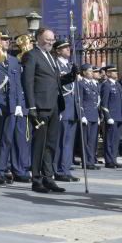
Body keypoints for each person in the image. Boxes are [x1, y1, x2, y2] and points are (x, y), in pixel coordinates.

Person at [22, 27, 77, 194]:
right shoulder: (32, 56)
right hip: (40, 106)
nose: (51, 43)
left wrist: (71, 76)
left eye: (52, 40)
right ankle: (37, 179)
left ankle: (48, 177)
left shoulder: (51, 57)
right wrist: (31, 107)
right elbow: (28, 82)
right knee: (39, 144)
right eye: (48, 40)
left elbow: (54, 81)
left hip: (54, 105)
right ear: (38, 38)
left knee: (51, 144)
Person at [0, 32, 28, 185]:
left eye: (7, 40)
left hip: (11, 105)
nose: (6, 42)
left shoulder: (12, 60)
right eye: (3, 39)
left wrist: (18, 104)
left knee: (7, 139)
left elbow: (17, 84)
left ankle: (2, 169)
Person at [53, 40, 80, 182]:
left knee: (69, 142)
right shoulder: (55, 64)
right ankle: (57, 170)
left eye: (68, 47)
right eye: (64, 48)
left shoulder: (70, 65)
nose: (68, 49)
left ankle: (66, 168)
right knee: (61, 140)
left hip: (72, 108)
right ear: (58, 50)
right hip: (63, 107)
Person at [100, 66, 122, 168]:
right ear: (108, 73)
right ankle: (109, 160)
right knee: (109, 139)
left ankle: (114, 159)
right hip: (111, 117)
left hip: (119, 116)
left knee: (116, 140)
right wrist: (107, 116)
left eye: (116, 71)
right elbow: (104, 103)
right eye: (113, 71)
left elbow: (121, 101)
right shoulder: (106, 85)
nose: (116, 73)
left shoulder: (118, 85)